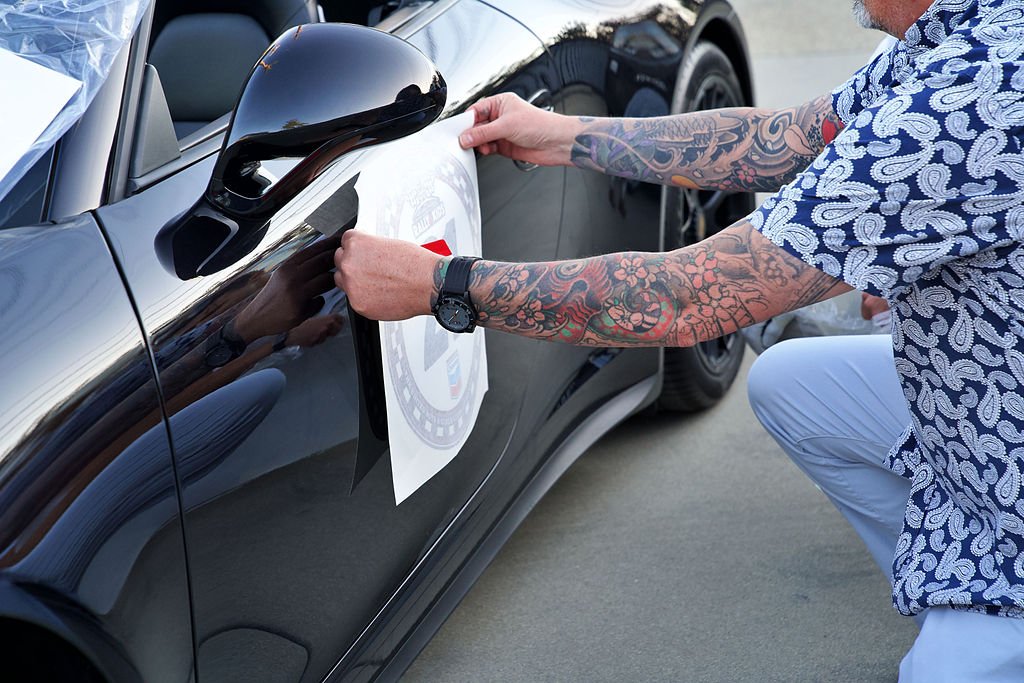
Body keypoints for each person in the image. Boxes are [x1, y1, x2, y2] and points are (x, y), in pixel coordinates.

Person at [335, 0, 1024, 678]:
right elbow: (783, 139)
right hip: (994, 402)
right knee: (791, 384)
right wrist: (563, 135)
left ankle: (989, 604)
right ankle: (948, 580)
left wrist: (439, 286)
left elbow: (688, 297)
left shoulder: (971, 96)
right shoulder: (961, 32)